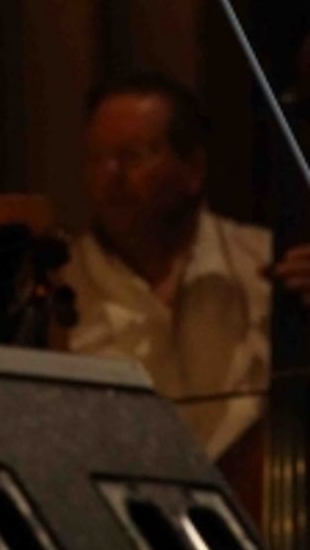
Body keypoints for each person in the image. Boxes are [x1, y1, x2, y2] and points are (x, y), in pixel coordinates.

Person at [63, 72, 281, 459]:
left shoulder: (263, 262)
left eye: (133, 156)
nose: (111, 177)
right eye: (98, 158)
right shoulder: (58, 288)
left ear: (193, 169)